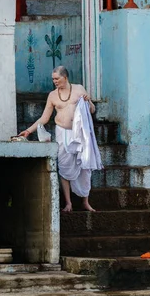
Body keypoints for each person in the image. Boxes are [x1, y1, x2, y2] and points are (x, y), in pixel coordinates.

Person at [19, 66, 101, 212]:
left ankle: (85, 202)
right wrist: (28, 131)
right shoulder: (52, 95)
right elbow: (44, 118)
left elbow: (92, 110)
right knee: (64, 166)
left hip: (80, 133)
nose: (54, 81)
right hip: (62, 133)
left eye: (57, 78)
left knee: (85, 166)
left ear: (65, 77)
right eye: (53, 79)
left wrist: (89, 102)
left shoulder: (79, 89)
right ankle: (68, 203)